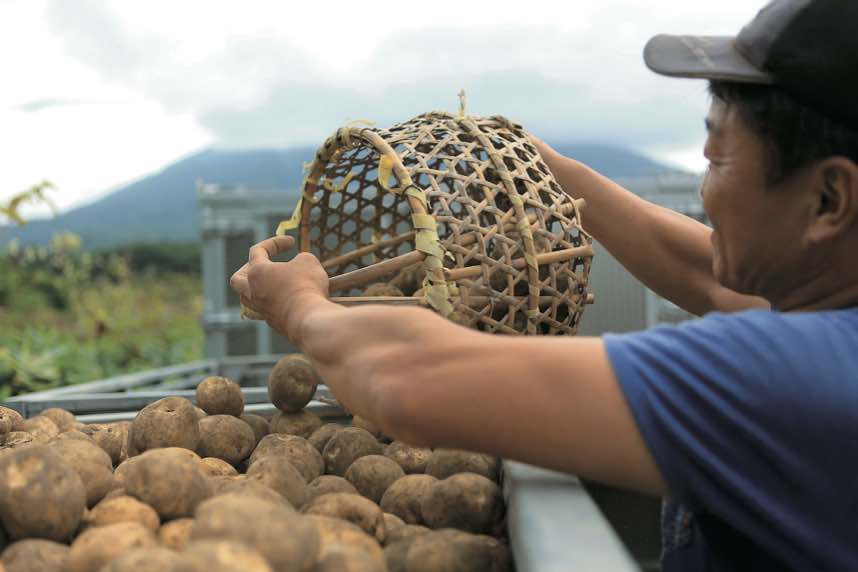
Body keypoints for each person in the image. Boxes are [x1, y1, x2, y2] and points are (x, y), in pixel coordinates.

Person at [230, 0, 858, 569]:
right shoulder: (828, 319)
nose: (704, 189)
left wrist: (298, 304)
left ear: (829, 199)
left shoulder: (792, 381)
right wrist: (540, 168)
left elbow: (410, 379)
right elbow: (704, 271)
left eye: (719, 159)